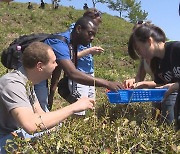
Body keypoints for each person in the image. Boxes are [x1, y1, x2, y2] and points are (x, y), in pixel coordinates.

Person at [0, 42, 95, 153]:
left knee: (56, 130)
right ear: (40, 66)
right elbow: (31, 125)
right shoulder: (12, 84)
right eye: (53, 62)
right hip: (3, 141)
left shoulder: (27, 83)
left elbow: (41, 116)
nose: (56, 65)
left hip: (12, 136)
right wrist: (73, 107)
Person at [34, 16, 122, 112]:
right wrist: (107, 83)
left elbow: (58, 68)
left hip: (40, 76)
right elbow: (72, 73)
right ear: (79, 29)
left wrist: (51, 93)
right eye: (90, 34)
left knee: (42, 108)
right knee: (40, 112)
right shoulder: (59, 43)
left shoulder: (72, 44)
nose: (92, 38)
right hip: (30, 75)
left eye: (94, 35)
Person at [127, 23, 180, 130]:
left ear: (149, 41)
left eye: (138, 48)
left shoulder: (176, 49)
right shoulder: (156, 62)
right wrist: (144, 85)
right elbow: (161, 83)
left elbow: (174, 84)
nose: (140, 54)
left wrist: (175, 86)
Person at [55, 8, 103, 116]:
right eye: (95, 22)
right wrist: (90, 51)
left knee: (90, 104)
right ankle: (75, 126)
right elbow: (70, 56)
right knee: (79, 108)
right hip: (78, 72)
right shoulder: (77, 31)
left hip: (88, 71)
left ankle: (85, 127)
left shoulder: (88, 33)